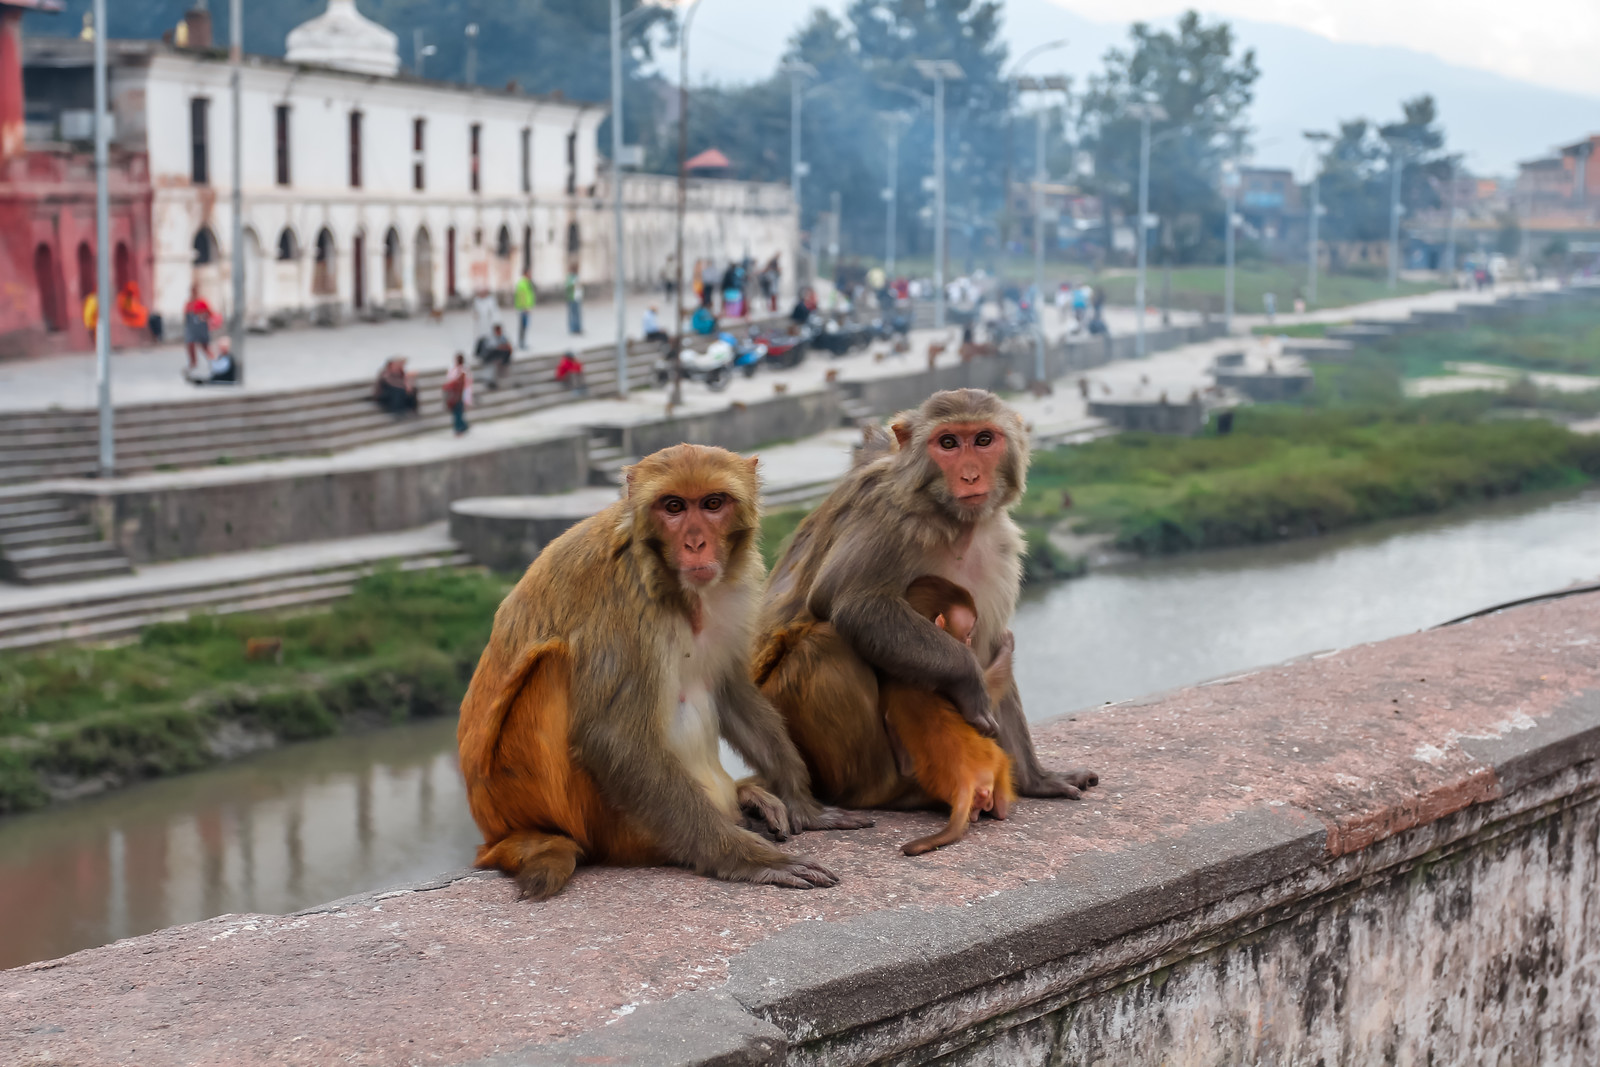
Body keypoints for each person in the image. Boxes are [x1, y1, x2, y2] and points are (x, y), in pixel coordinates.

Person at [183, 284, 216, 373]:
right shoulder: (188, 304)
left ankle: (213, 362)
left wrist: (201, 316)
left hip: (201, 328)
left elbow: (209, 314)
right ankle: (193, 362)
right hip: (191, 328)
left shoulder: (202, 302)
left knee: (205, 346)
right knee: (190, 345)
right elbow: (186, 317)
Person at [442, 352, 473, 435]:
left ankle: (461, 427)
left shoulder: (464, 371)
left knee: (458, 412)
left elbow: (466, 383)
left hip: (460, 394)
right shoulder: (454, 369)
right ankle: (462, 426)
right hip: (455, 393)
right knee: (457, 412)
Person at [481, 323, 513, 388]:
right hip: (490, 355)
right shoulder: (491, 338)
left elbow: (508, 346)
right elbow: (495, 347)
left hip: (499, 355)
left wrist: (506, 347)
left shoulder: (503, 337)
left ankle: (504, 362)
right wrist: (504, 347)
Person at [471, 286, 498, 358]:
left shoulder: (490, 300)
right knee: (480, 337)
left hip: (488, 322)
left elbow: (493, 311)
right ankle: (479, 351)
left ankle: (488, 351)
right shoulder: (477, 300)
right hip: (480, 323)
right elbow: (475, 311)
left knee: (488, 337)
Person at [513, 269, 536, 350]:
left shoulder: (527, 283)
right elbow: (521, 296)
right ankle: (521, 343)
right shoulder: (522, 283)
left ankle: (523, 342)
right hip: (523, 309)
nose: (530, 275)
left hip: (526, 308)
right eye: (529, 274)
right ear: (525, 274)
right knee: (522, 327)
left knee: (525, 327)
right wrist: (524, 307)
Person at [564, 266, 583, 334]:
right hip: (572, 298)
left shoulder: (576, 277)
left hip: (577, 297)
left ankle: (578, 328)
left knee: (578, 314)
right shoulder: (570, 277)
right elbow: (569, 286)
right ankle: (573, 329)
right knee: (572, 314)